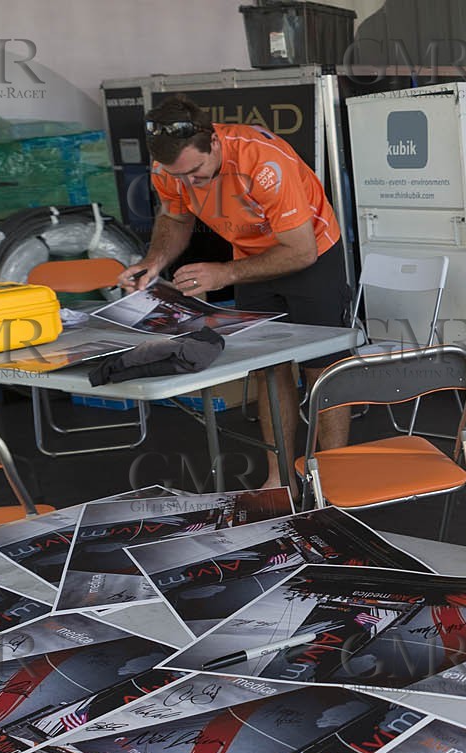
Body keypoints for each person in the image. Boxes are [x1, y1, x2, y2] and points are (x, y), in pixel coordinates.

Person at [117, 95, 351, 489]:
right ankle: (280, 478)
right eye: (179, 177)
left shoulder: (263, 162)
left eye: (196, 172)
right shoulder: (169, 168)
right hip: (248, 258)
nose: (189, 183)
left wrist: (223, 274)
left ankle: (333, 477)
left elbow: (301, 251)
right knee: (268, 368)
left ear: (213, 141)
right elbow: (174, 218)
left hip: (311, 254)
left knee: (322, 369)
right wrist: (153, 263)